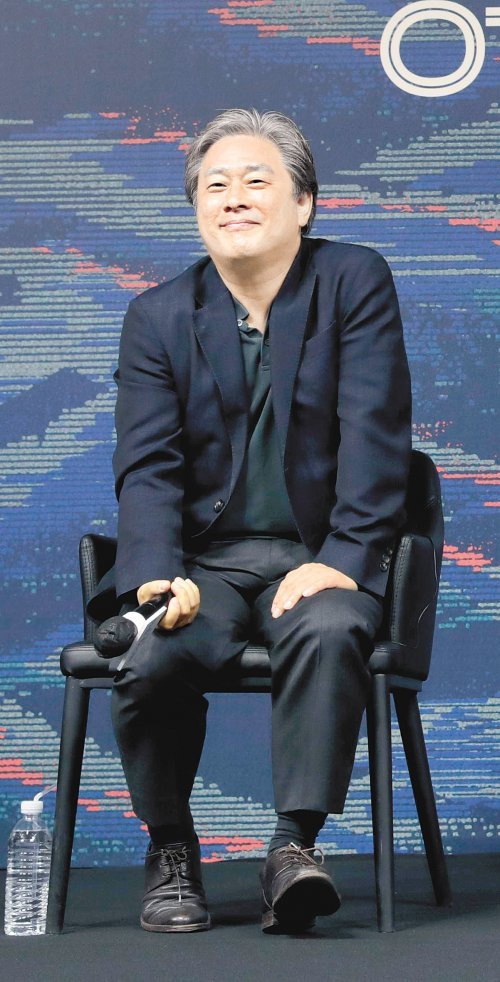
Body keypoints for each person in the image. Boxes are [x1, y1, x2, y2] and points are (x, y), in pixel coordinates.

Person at [89, 108, 412, 934]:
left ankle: (292, 847)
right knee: (151, 653)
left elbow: (376, 435)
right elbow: (147, 466)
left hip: (319, 552)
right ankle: (171, 849)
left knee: (330, 624)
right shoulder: (159, 316)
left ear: (304, 202)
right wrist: (156, 576)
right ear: (196, 208)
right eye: (215, 185)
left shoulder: (353, 280)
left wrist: (343, 557)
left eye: (256, 180)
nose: (233, 197)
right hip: (208, 566)